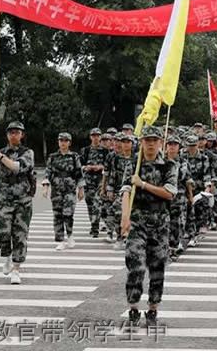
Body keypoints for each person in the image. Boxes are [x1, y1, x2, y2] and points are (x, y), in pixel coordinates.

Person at [120, 126, 178, 327]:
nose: (151, 144)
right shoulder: (133, 165)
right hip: (137, 221)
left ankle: (153, 308)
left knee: (157, 267)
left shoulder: (169, 166)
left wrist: (143, 184)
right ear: (142, 142)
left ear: (160, 142)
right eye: (147, 140)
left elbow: (169, 193)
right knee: (135, 265)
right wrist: (125, 217)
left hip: (160, 222)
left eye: (154, 140)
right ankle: (133, 307)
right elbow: (126, 191)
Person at [0, 121, 35, 285]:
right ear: (7, 135)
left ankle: (16, 269)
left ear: (22, 135)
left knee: (20, 235)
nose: (13, 135)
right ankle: (6, 255)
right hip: (5, 201)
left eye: (17, 132)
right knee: (1, 231)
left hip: (23, 201)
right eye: (11, 132)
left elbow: (16, 167)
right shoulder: (0, 153)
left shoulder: (27, 153)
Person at [42, 133, 84, 251]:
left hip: (70, 190)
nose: (63, 143)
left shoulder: (74, 157)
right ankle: (60, 240)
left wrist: (81, 189)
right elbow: (48, 172)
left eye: (66, 141)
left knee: (68, 214)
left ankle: (70, 235)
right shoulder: (53, 157)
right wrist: (45, 187)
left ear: (69, 143)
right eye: (61, 140)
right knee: (57, 215)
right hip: (56, 189)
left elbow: (78, 173)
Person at [80, 128, 110, 238]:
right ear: (90, 137)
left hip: (100, 180)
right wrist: (87, 167)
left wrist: (100, 167)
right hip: (88, 180)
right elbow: (80, 165)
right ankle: (93, 224)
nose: (96, 138)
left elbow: (108, 166)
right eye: (94, 135)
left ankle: (95, 228)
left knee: (97, 203)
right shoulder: (85, 150)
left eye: (98, 135)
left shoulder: (105, 151)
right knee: (89, 203)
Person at [105, 133, 134, 247]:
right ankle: (120, 236)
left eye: (128, 142)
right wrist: (110, 189)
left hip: (134, 191)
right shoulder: (116, 158)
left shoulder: (136, 158)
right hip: (120, 190)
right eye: (123, 142)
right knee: (116, 212)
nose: (125, 144)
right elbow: (113, 174)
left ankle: (131, 236)